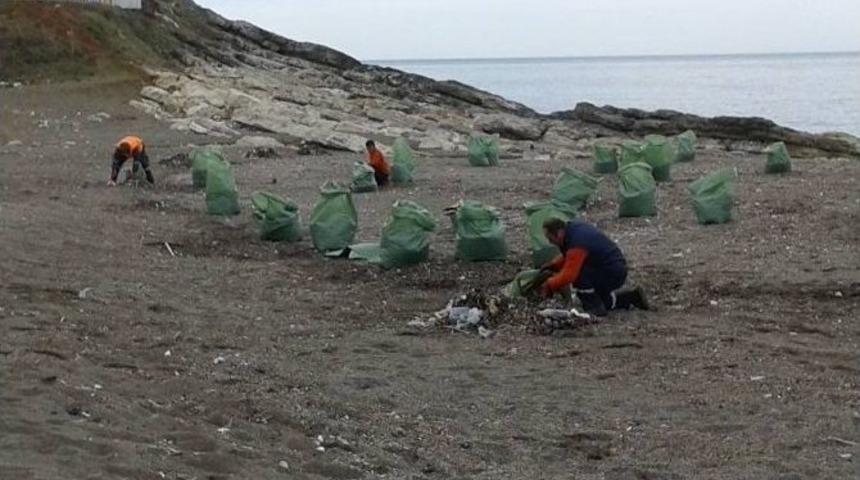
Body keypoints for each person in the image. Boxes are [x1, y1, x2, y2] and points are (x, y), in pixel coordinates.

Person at [540, 218, 649, 316]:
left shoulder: (577, 241)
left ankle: (595, 308)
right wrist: (554, 265)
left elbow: (569, 275)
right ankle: (631, 298)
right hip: (613, 267)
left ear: (559, 233)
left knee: (579, 275)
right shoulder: (573, 230)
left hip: (612, 272)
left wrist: (550, 284)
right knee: (601, 300)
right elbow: (570, 256)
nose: (550, 242)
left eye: (550, 239)